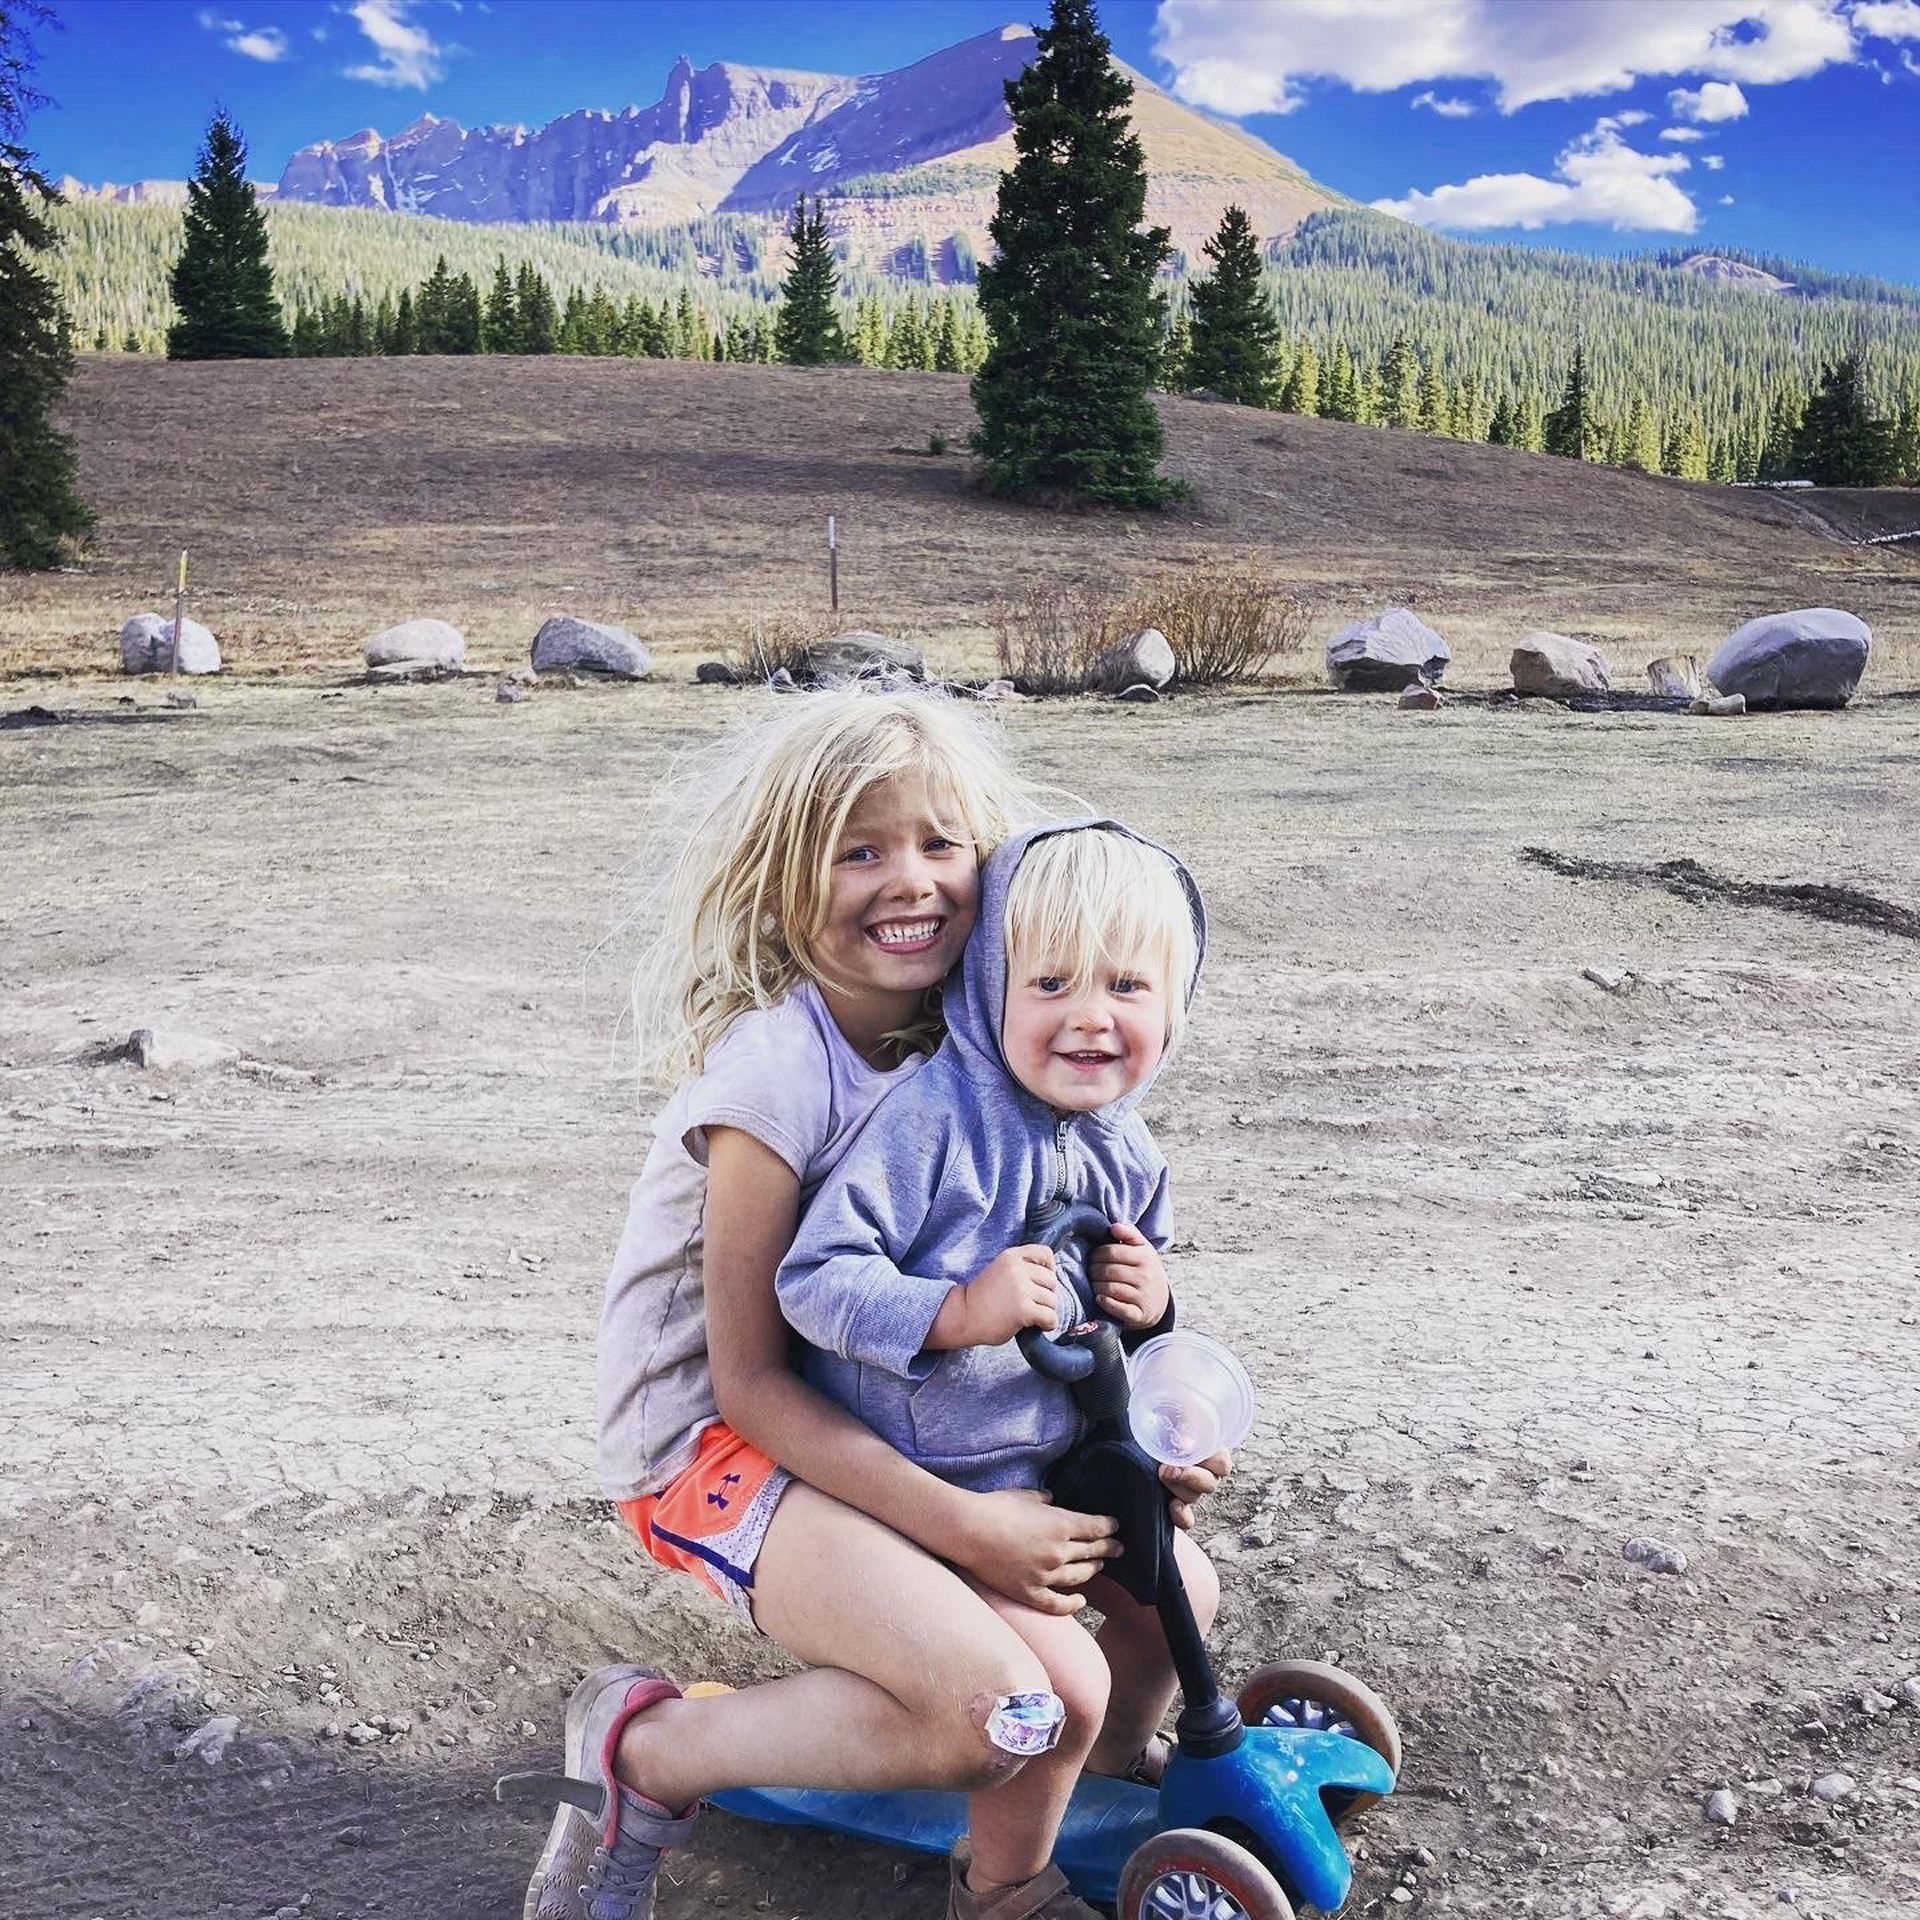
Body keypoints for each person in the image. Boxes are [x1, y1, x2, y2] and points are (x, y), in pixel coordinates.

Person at [508, 691, 1228, 1920]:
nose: (913, 882)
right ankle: (650, 1753)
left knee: (1139, 1620)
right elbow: (751, 1381)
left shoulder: (991, 1036)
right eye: (861, 849)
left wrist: (1147, 1401)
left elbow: (1074, 1260)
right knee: (993, 1706)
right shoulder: (777, 1083)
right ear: (784, 881)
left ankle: (1068, 1802)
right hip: (729, 1444)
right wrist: (965, 1527)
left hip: (895, 1415)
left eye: (943, 845)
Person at [776, 819, 1218, 1915]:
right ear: (987, 988)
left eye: (1127, 985)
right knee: (1059, 1686)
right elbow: (813, 1280)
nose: (1089, 1015)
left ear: (1175, 1004)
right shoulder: (930, 1123)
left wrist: (1159, 1316)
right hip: (920, 1492)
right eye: (1051, 980)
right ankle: (1005, 1882)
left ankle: (1112, 1767)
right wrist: (956, 1310)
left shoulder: (1130, 1149)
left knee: (1185, 1595)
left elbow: (1135, 1343)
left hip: (1050, 1476)